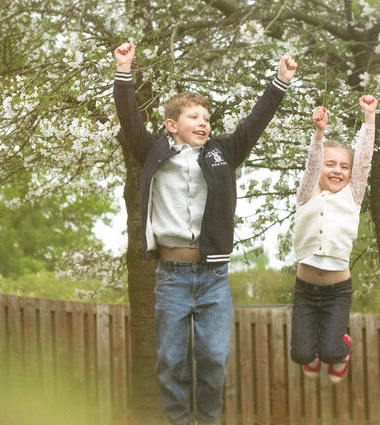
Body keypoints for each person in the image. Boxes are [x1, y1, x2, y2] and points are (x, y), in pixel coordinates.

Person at [113, 40, 296, 425]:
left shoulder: (222, 153)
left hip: (213, 276)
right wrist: (124, 73)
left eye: (207, 119)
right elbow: (129, 121)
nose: (203, 123)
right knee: (171, 360)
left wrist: (279, 82)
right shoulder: (153, 151)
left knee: (213, 357)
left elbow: (254, 123)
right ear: (171, 125)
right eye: (194, 117)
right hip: (172, 277)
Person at [290, 96, 377, 383]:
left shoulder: (353, 197)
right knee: (301, 355)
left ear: (351, 174)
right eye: (330, 164)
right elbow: (311, 164)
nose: (337, 170)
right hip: (305, 289)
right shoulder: (307, 195)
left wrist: (369, 119)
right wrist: (319, 133)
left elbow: (364, 160)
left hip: (337, 290)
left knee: (331, 352)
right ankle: (312, 351)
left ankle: (343, 348)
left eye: (343, 166)